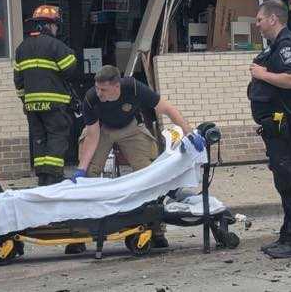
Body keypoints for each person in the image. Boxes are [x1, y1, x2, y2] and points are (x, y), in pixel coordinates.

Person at [72, 65, 202, 250]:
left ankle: (156, 230)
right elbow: (92, 136)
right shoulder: (91, 98)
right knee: (88, 176)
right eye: (97, 88)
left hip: (130, 128)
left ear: (117, 87)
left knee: (150, 174)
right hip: (102, 130)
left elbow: (168, 109)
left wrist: (190, 134)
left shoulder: (133, 87)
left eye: (104, 89)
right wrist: (81, 169)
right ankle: (79, 235)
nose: (99, 93)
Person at [249, 0, 291, 259]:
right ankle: (288, 236)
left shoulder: (286, 46)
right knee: (285, 184)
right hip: (278, 129)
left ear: (273, 19)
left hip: (287, 129)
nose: (257, 24)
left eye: (260, 19)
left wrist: (261, 74)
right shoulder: (279, 45)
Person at [14, 5, 80, 185]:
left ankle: (42, 176)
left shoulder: (21, 48)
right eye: (56, 26)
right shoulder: (56, 45)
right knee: (57, 136)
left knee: (39, 138)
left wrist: (25, 101)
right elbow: (69, 69)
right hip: (55, 104)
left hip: (32, 105)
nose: (56, 29)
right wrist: (71, 53)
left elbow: (18, 81)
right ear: (50, 25)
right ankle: (54, 176)